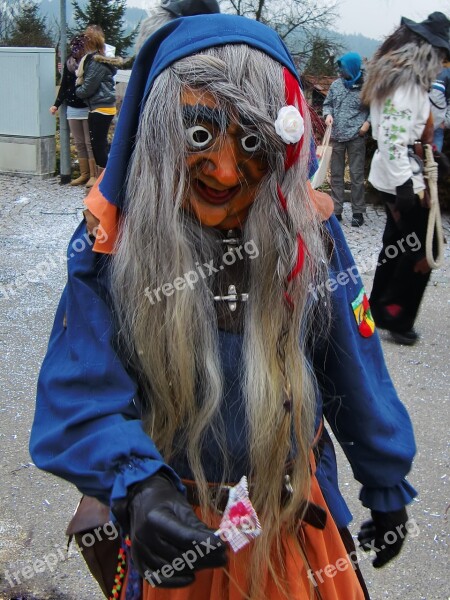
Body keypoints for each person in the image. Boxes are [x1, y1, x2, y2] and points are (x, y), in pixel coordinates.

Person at [30, 14, 418, 600]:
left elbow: (355, 361)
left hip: (292, 522)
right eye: (200, 135)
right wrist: (139, 487)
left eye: (254, 140)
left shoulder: (307, 233)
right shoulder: (113, 246)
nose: (227, 169)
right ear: (161, 133)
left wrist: (384, 481)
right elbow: (80, 386)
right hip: (180, 539)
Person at [361, 11, 450, 345]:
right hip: (401, 176)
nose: (442, 63)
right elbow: (394, 137)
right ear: (427, 51)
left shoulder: (396, 77)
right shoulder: (407, 84)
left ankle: (378, 308)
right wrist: (405, 185)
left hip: (396, 171)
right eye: (441, 56)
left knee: (396, 245)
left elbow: (396, 134)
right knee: (425, 249)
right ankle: (396, 316)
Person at [322, 52, 370, 227]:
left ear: (352, 68)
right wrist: (327, 115)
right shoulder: (336, 85)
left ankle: (358, 211)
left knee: (357, 175)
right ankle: (336, 210)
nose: (341, 72)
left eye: (344, 68)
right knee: (336, 175)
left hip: (357, 137)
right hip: (337, 136)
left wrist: (367, 124)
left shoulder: (366, 88)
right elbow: (328, 104)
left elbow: (375, 108)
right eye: (340, 68)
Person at [75, 27, 122, 185]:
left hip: (100, 107)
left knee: (98, 146)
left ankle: (108, 182)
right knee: (99, 145)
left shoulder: (96, 62)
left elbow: (88, 87)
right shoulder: (98, 59)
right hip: (101, 106)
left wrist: (77, 90)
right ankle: (108, 179)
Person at [50, 35, 96, 187]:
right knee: (79, 143)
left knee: (90, 143)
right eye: (74, 47)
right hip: (72, 108)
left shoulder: (90, 62)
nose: (76, 50)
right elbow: (64, 85)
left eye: (79, 47)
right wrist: (56, 104)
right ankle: (84, 174)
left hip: (88, 107)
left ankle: (94, 175)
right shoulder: (69, 63)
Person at [429, 64, 450, 151]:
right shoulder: (416, 71)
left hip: (436, 129)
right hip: (415, 128)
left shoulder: (446, 74)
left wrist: (445, 122)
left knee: (433, 161)